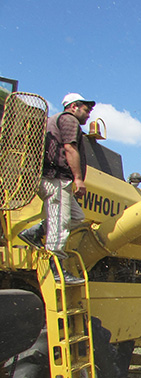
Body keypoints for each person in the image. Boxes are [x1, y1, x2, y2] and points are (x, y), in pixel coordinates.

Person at [18, 92, 95, 285]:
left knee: (77, 217)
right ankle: (57, 271)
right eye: (86, 110)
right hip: (57, 179)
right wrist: (78, 178)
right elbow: (70, 148)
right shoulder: (69, 120)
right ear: (74, 106)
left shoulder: (52, 121)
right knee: (60, 223)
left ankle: (35, 232)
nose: (88, 115)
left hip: (49, 178)